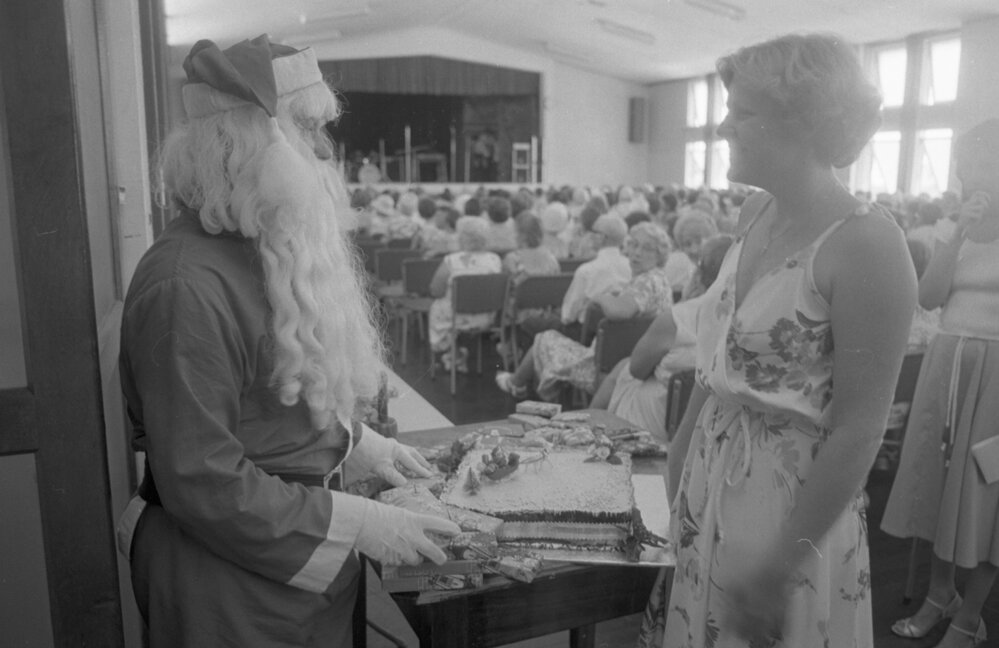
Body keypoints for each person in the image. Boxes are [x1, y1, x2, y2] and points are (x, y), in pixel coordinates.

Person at [114, 36, 461, 647]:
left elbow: (270, 400)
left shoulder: (259, 242)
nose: (327, 150)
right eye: (307, 127)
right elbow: (203, 481)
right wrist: (359, 523)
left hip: (297, 571)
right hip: (230, 588)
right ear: (246, 140)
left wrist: (357, 444)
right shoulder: (182, 285)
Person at [636, 33, 915, 648]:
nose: (722, 128)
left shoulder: (867, 243)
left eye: (743, 113)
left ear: (804, 123)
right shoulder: (753, 214)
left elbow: (859, 429)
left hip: (791, 510)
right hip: (708, 480)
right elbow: (720, 367)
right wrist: (679, 464)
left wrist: (778, 569)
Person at [881, 118, 999, 648]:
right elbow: (928, 298)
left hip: (996, 373)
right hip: (947, 362)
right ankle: (939, 594)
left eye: (982, 163)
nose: (972, 176)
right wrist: (955, 235)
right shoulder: (957, 228)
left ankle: (970, 617)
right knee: (939, 483)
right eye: (966, 166)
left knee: (987, 488)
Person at [495, 221, 673, 401]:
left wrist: (601, 297)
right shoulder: (660, 279)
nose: (637, 252)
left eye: (647, 248)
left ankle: (516, 384)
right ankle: (518, 384)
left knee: (544, 338)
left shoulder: (647, 281)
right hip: (632, 361)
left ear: (660, 255)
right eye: (634, 244)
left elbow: (619, 311)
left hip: (605, 366)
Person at [590, 234, 734, 443]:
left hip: (658, 421)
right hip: (719, 425)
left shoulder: (678, 317)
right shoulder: (753, 318)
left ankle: (588, 427)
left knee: (624, 369)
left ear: (699, 274)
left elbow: (637, 369)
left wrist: (687, 301)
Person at [427, 216, 503, 372]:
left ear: (461, 237)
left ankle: (454, 354)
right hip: (487, 318)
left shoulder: (451, 261)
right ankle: (457, 354)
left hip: (456, 318)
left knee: (438, 305)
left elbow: (435, 290)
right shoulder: (495, 260)